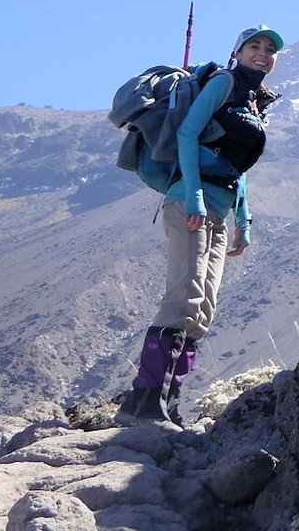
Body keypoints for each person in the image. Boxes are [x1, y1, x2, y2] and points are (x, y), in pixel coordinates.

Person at [115, 25, 284, 430]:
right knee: (183, 300)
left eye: (269, 49)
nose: (262, 53)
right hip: (190, 203)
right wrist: (192, 196)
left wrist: (243, 220)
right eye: (254, 46)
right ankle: (141, 405)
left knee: (202, 311)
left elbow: (235, 166)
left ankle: (168, 404)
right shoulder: (224, 83)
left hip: (220, 212)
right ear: (238, 52)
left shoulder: (254, 101)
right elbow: (189, 133)